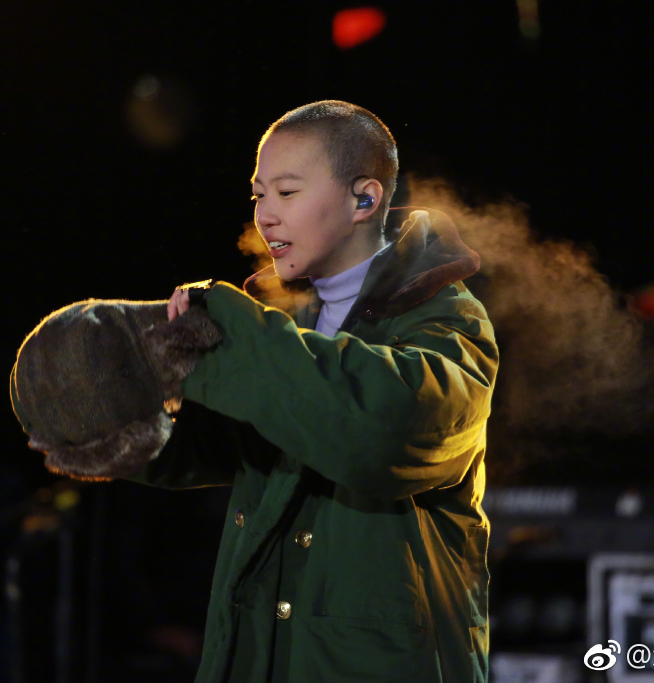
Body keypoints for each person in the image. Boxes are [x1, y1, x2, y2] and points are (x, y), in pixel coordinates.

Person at [131, 100, 499, 682]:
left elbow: (386, 429)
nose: (265, 216)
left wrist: (242, 339)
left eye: (287, 192)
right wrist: (117, 406)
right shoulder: (282, 322)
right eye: (258, 195)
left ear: (364, 200)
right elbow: (207, 444)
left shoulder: (448, 318)